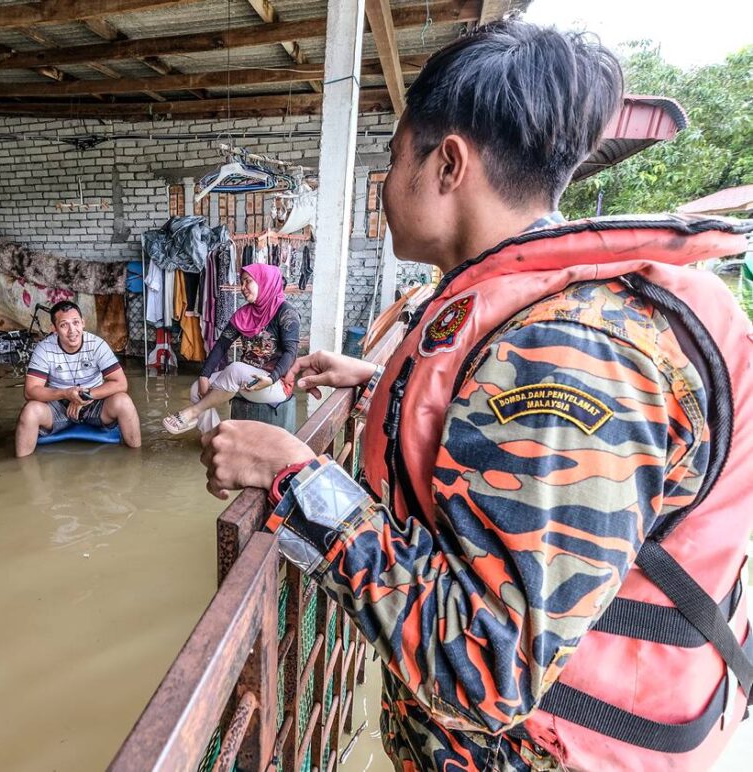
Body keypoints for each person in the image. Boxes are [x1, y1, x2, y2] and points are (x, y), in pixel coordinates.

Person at [199, 21, 753, 772]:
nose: (385, 190)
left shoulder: (563, 357)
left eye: (393, 162)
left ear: (448, 164)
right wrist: (378, 389)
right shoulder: (542, 321)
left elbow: (488, 668)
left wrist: (297, 478)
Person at [162, 264, 299, 434]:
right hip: (245, 380)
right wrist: (204, 375)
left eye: (248, 282)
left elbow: (290, 352)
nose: (243, 288)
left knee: (235, 369)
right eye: (241, 283)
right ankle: (214, 437)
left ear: (264, 282)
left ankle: (192, 412)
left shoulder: (286, 313)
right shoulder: (244, 314)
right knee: (197, 388)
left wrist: (271, 379)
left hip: (273, 385)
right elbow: (221, 346)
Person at [15, 300, 141, 457]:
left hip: (94, 403)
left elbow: (121, 383)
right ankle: (22, 471)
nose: (72, 330)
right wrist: (65, 394)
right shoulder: (44, 349)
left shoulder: (97, 345)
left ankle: (137, 461)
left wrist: (85, 395)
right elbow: (30, 391)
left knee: (124, 401)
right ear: (54, 329)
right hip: (58, 406)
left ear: (83, 323)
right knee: (30, 412)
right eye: (64, 325)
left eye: (75, 323)